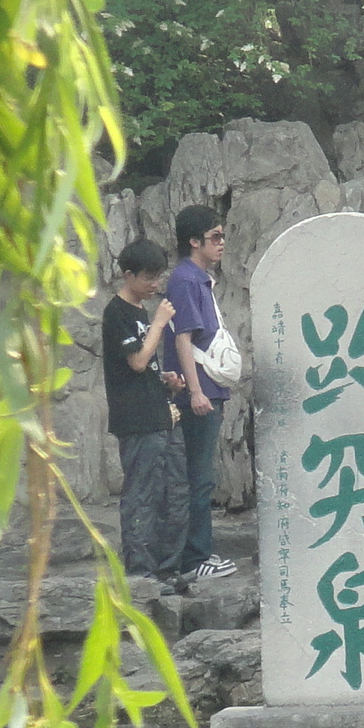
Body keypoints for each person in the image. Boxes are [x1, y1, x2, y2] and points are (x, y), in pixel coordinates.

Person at [102, 239, 191, 593]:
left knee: (174, 492)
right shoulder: (118, 313)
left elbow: (147, 366)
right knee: (143, 494)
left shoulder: (141, 312)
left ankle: (168, 569)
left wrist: (167, 380)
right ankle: (141, 574)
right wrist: (158, 323)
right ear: (129, 276)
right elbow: (136, 361)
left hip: (162, 415)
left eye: (158, 278)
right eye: (149, 279)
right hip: (137, 421)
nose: (155, 285)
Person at [161, 205, 238, 581]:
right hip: (199, 391)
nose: (222, 244)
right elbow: (183, 338)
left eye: (223, 236)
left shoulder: (198, 279)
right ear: (194, 242)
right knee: (197, 475)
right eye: (215, 237)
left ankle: (195, 553)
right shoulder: (187, 280)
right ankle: (194, 557)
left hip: (209, 389)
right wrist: (194, 391)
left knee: (201, 474)